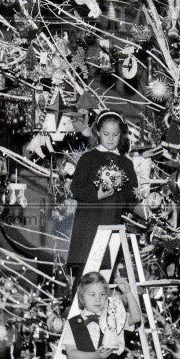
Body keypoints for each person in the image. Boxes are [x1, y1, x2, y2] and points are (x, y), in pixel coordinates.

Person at [67, 112, 138, 272]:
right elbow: (76, 188)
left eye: (115, 134)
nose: (111, 139)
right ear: (98, 132)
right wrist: (96, 195)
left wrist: (123, 192)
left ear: (122, 135)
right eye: (106, 134)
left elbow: (131, 195)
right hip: (88, 225)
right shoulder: (88, 158)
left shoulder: (126, 163)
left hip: (112, 225)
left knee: (105, 274)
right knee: (86, 276)